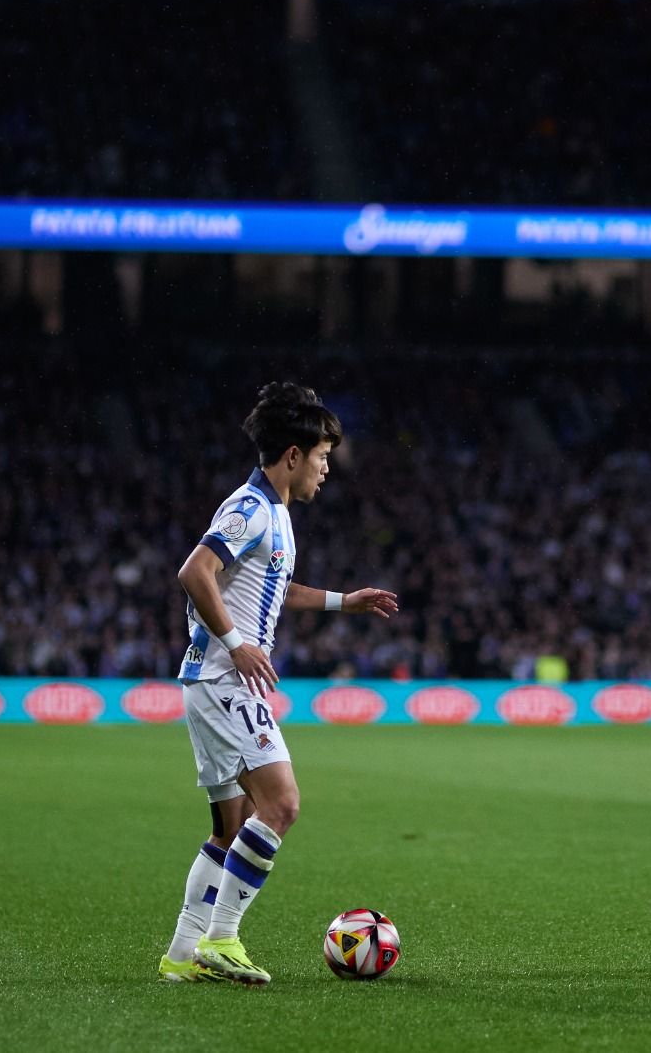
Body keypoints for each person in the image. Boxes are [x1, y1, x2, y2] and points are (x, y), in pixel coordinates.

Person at [157, 382, 399, 985]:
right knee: (282, 804)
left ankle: (184, 955)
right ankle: (224, 939)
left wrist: (348, 601)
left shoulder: (276, 516)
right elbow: (196, 571)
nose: (326, 468)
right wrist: (238, 645)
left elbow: (277, 588)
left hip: (211, 680)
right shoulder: (249, 509)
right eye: (321, 456)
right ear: (292, 454)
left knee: (231, 826)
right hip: (223, 679)